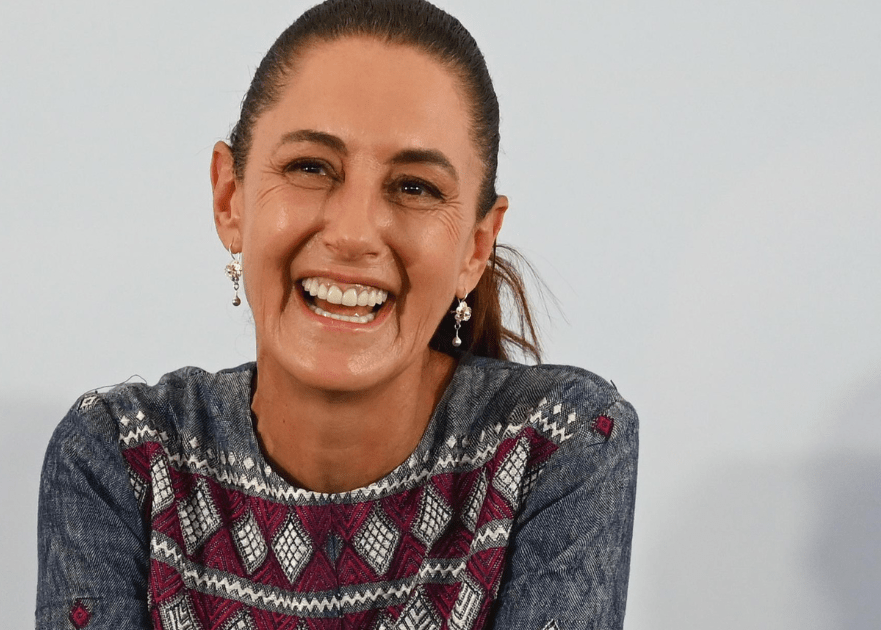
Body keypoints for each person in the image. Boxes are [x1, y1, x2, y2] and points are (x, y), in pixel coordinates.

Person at [36, 1, 638, 628]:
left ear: (476, 248)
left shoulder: (558, 443)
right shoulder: (121, 456)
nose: (353, 234)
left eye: (414, 187)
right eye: (311, 168)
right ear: (230, 197)